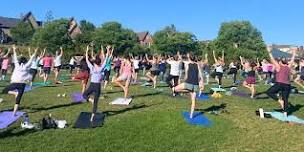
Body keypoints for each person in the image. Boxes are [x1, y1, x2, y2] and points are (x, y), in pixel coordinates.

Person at [1, 46, 37, 116]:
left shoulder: (17, 65)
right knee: (18, 101)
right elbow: (32, 58)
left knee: (4, 91)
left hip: (15, 83)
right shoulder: (27, 66)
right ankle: (14, 114)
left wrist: (14, 50)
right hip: (22, 84)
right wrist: (35, 52)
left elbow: (15, 58)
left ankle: (14, 93)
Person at [266, 46, 297, 116]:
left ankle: (279, 101)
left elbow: (272, 59)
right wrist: (294, 52)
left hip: (279, 84)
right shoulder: (288, 66)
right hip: (287, 85)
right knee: (285, 98)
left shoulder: (278, 66)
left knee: (269, 92)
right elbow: (292, 59)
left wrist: (269, 51)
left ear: (280, 61)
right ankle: (285, 112)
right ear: (286, 62)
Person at [173, 53, 204, 118]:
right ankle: (191, 116)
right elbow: (201, 75)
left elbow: (186, 75)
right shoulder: (197, 64)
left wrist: (183, 81)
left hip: (188, 83)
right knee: (193, 101)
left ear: (189, 58)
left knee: (175, 89)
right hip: (195, 85)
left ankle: (187, 91)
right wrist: (202, 83)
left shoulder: (187, 64)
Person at [82, 46, 107, 122]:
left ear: (95, 62)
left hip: (92, 85)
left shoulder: (92, 68)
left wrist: (86, 51)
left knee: (84, 95)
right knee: (95, 102)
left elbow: (86, 59)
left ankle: (90, 100)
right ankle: (92, 117)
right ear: (99, 62)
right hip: (97, 86)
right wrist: (108, 52)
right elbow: (106, 60)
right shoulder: (101, 68)